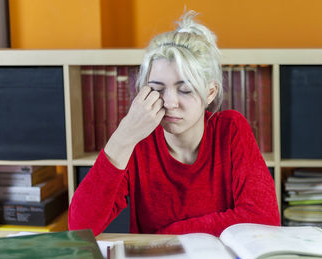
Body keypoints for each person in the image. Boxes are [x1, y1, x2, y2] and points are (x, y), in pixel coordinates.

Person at [68, 10, 280, 237]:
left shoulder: (231, 129)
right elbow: (80, 227)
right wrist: (123, 136)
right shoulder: (138, 140)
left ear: (210, 93)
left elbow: (265, 219)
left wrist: (171, 234)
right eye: (157, 89)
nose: (169, 103)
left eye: (185, 90)